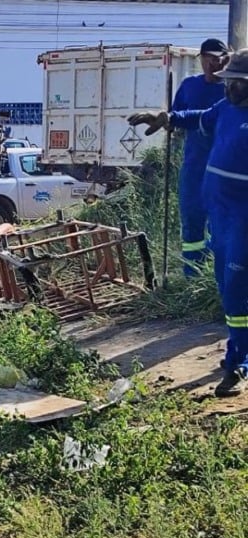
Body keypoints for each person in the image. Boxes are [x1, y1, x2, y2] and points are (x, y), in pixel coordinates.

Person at [128, 47, 248, 397]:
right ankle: (238, 354)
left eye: (236, 83)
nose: (228, 88)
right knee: (228, 290)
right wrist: (166, 117)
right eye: (228, 82)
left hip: (243, 220)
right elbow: (198, 116)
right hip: (221, 217)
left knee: (238, 294)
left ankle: (238, 364)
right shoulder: (226, 108)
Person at [171, 38, 230, 277]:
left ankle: (218, 276)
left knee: (221, 223)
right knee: (192, 220)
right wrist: (167, 121)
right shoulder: (189, 86)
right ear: (201, 59)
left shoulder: (232, 90)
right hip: (194, 166)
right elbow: (179, 116)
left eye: (217, 58)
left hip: (224, 167)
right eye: (207, 58)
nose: (212, 63)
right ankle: (193, 275)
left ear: (226, 59)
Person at [0, 110, 12, 176]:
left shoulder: (7, 127)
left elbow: (6, 138)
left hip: (6, 150)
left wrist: (3, 139)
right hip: (0, 150)